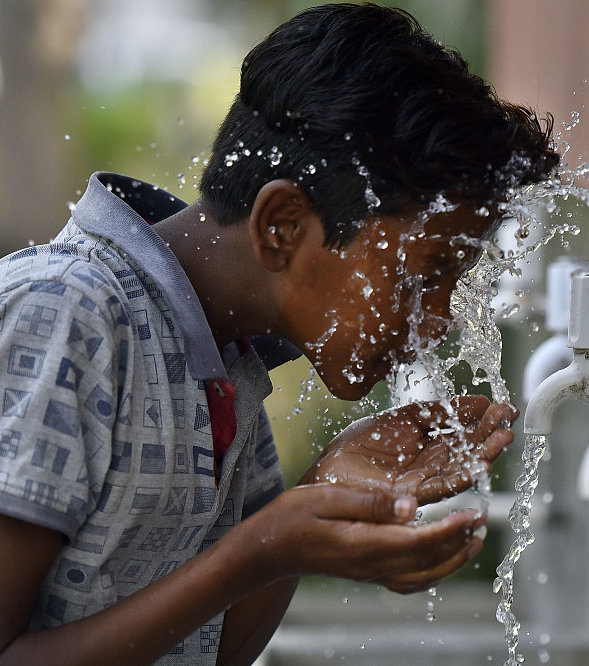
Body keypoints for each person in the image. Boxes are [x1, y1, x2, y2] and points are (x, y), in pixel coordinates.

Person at [0, 3, 559, 665]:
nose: (435, 320)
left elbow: (215, 649)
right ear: (283, 225)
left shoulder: (226, 365)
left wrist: (317, 500)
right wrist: (257, 549)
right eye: (419, 276)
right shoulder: (65, 314)